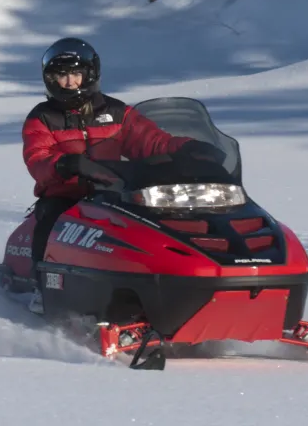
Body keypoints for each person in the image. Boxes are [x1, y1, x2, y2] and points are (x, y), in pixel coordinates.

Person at [20, 37, 224, 314]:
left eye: (76, 74)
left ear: (90, 75)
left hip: (114, 190)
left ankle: (169, 283)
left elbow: (153, 141)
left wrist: (188, 148)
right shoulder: (41, 118)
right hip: (66, 195)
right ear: (50, 79)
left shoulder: (117, 112)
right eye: (62, 76)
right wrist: (64, 164)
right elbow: (37, 157)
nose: (69, 82)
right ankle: (41, 289)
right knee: (51, 219)